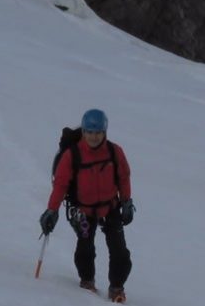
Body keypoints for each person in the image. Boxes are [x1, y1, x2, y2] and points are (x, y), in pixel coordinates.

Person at [40, 108, 134, 302]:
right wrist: (52, 210)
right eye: (89, 132)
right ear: (83, 132)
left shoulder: (114, 152)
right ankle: (87, 280)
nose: (93, 136)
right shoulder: (72, 155)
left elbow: (124, 177)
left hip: (110, 207)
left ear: (105, 132)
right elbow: (61, 184)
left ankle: (117, 287)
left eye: (98, 132)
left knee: (119, 251)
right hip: (83, 210)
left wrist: (126, 201)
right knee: (85, 248)